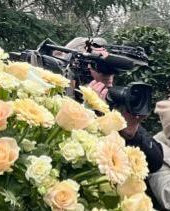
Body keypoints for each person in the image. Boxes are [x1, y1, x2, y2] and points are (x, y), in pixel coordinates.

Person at [65, 37, 164, 175]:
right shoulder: (59, 103)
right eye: (103, 68)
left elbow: (155, 162)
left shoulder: (113, 108)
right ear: (78, 68)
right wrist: (91, 113)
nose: (110, 79)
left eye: (114, 71)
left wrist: (131, 134)